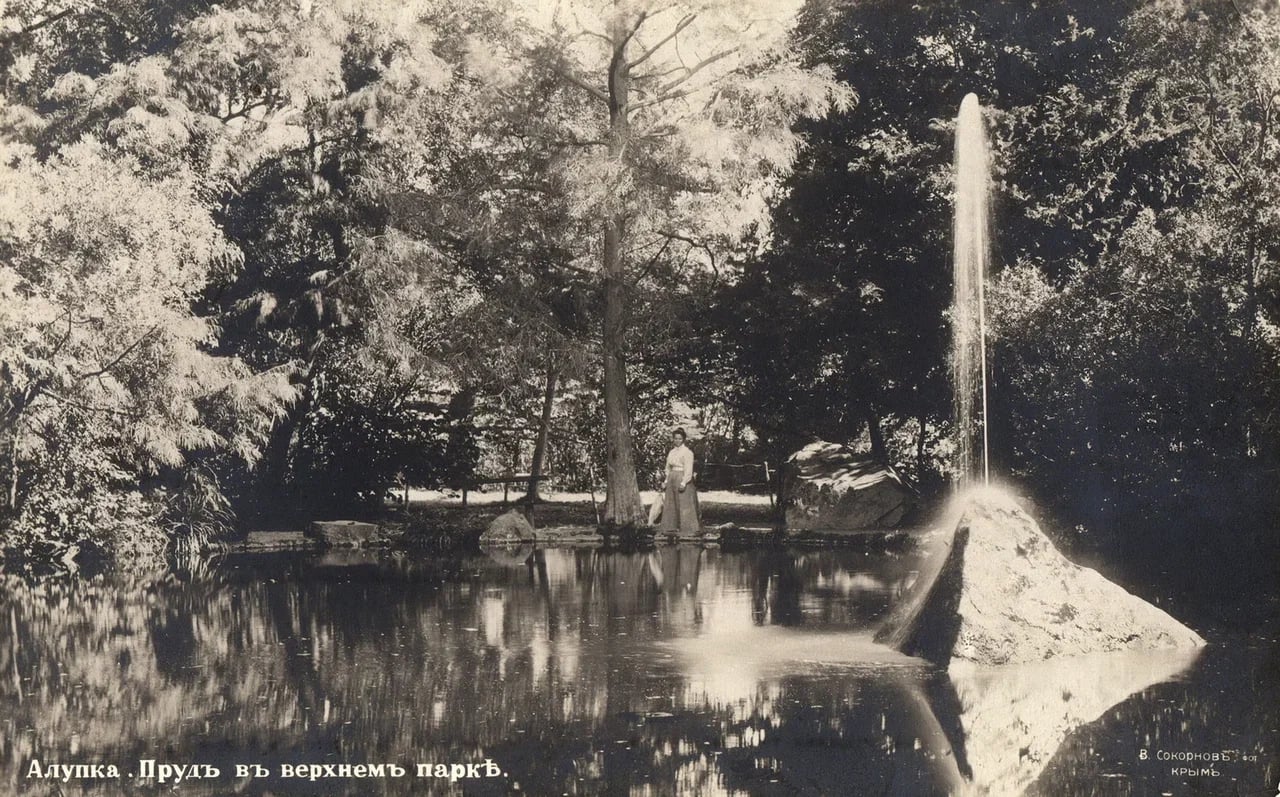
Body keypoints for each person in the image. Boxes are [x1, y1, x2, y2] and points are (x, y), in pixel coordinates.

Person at [659, 428, 700, 535]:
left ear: (683, 440)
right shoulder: (671, 452)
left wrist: (684, 482)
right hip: (672, 477)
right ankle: (671, 527)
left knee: (684, 503)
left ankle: (687, 529)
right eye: (675, 438)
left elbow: (688, 469)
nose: (677, 441)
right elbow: (668, 468)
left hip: (682, 477)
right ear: (673, 439)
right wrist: (666, 480)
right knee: (671, 503)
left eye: (680, 439)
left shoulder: (687, 452)